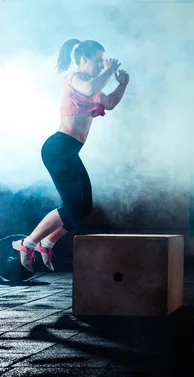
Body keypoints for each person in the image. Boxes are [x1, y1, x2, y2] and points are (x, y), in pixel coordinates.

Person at [12, 38, 129, 273]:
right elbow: (91, 88)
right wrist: (108, 71)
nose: (100, 65)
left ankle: (47, 242)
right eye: (97, 61)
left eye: (102, 62)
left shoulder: (93, 83)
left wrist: (122, 84)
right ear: (84, 59)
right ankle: (27, 244)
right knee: (72, 205)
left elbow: (110, 102)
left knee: (84, 207)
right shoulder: (76, 78)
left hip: (69, 151)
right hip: (58, 149)